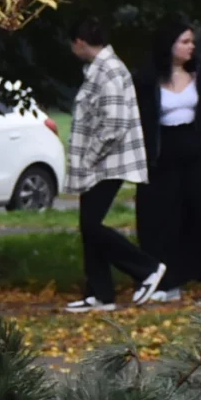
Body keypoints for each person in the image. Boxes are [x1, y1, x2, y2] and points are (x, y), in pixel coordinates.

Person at [128, 21, 201, 305]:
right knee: (163, 217)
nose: (191, 47)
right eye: (185, 41)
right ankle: (167, 281)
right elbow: (138, 115)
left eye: (192, 41)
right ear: (169, 45)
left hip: (198, 153)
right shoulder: (147, 78)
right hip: (162, 156)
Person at [61, 17, 162, 314]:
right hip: (101, 162)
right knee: (88, 225)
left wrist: (89, 158)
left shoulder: (109, 70)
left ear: (79, 41)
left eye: (72, 44)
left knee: (91, 224)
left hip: (108, 162)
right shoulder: (99, 69)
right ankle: (100, 293)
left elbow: (114, 125)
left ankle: (147, 269)